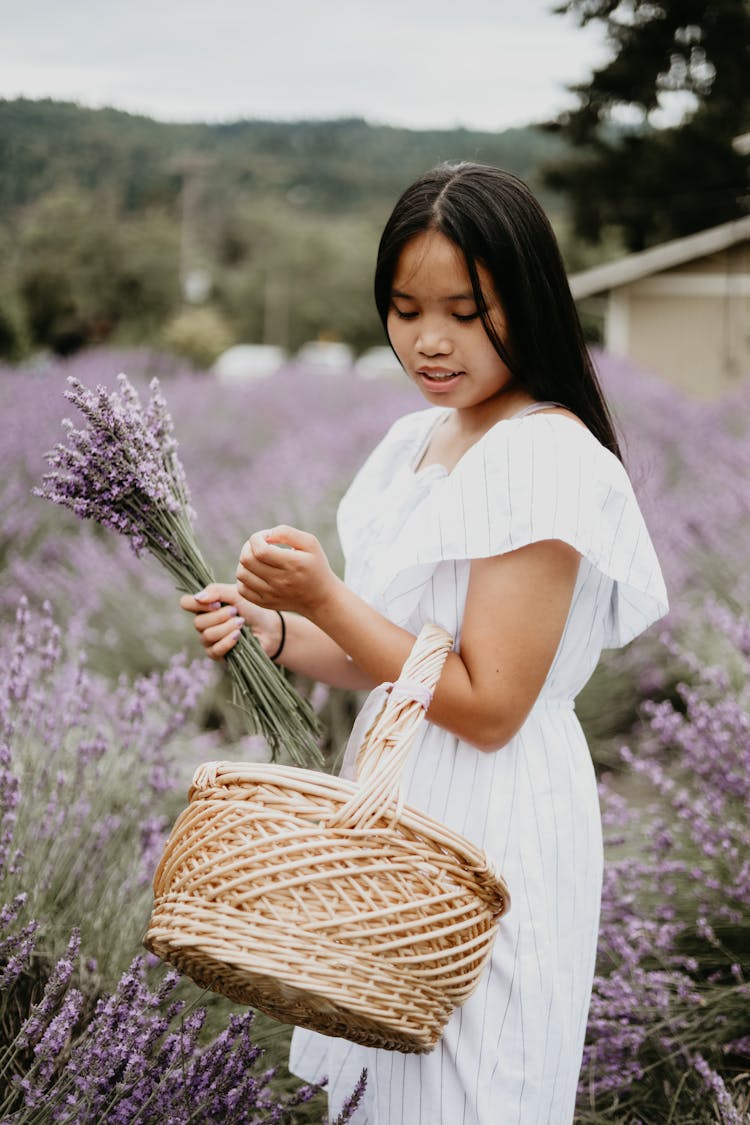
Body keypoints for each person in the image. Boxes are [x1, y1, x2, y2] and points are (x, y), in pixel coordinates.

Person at [180, 162, 668, 1124]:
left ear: (524, 300)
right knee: (388, 1089)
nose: (429, 341)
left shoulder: (543, 453)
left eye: (464, 309)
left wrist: (325, 593)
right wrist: (273, 628)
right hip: (399, 800)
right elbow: (390, 659)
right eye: (405, 310)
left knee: (478, 1089)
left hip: (494, 817)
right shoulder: (418, 440)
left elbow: (487, 705)